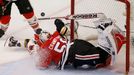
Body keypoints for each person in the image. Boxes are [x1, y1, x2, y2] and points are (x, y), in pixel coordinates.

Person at [7, 18, 126, 70]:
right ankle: (108, 35)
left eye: (45, 33)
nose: (47, 34)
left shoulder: (53, 36)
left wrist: (59, 24)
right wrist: (35, 50)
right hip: (71, 54)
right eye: (44, 35)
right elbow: (41, 65)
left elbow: (64, 30)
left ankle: (108, 37)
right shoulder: (44, 49)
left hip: (74, 44)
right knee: (99, 55)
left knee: (96, 51)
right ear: (41, 41)